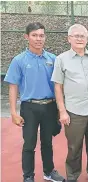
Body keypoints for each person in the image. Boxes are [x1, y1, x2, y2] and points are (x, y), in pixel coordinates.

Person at [4, 22, 65, 182]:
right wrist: (13, 113)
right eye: (34, 35)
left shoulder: (53, 59)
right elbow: (13, 87)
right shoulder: (19, 60)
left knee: (47, 142)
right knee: (29, 144)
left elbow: (59, 86)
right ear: (27, 37)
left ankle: (49, 172)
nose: (39, 39)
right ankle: (28, 176)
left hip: (50, 107)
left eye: (41, 35)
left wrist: (60, 110)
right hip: (29, 107)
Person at [51, 24, 88, 182]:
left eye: (83, 35)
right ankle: (73, 175)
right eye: (76, 35)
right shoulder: (61, 59)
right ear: (69, 39)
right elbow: (58, 86)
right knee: (74, 146)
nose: (80, 38)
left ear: (87, 38)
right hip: (74, 111)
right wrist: (62, 111)